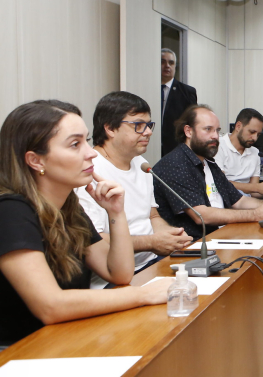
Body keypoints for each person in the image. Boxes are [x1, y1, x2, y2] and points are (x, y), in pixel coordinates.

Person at [0, 100, 171, 347]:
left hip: (62, 339)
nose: (91, 152)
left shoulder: (69, 206)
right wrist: (142, 294)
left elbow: (119, 273)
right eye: (74, 144)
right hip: (18, 351)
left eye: (86, 141)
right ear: (36, 161)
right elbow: (50, 306)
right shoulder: (11, 210)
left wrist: (116, 212)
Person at [75, 92, 192, 289]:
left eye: (149, 125)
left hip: (152, 263)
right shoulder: (89, 171)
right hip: (111, 280)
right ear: (110, 129)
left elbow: (152, 217)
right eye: (138, 125)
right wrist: (152, 242)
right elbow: (97, 239)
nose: (148, 132)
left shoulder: (141, 164)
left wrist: (173, 236)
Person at [152, 105, 263, 239]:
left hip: (220, 235)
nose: (215, 136)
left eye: (217, 131)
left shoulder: (209, 162)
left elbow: (239, 201)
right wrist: (255, 214)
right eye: (208, 129)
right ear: (188, 131)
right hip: (193, 245)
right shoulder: (176, 164)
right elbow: (201, 216)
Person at [214, 108, 263, 198]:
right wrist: (257, 187)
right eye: (252, 132)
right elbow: (220, 183)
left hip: (247, 203)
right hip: (224, 202)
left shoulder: (255, 153)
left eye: (258, 134)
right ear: (238, 126)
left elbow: (254, 192)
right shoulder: (218, 146)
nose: (255, 138)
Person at [161, 48, 197, 155]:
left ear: (175, 67)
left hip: (175, 149)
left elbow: (191, 122)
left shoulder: (187, 92)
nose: (167, 65)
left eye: (171, 63)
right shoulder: (148, 89)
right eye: (163, 62)